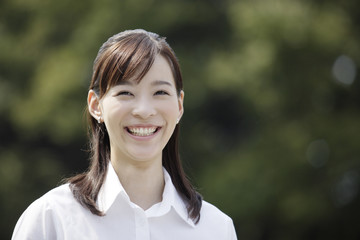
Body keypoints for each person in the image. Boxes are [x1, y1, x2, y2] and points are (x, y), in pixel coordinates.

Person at [12, 29, 237, 240]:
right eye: (126, 92)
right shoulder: (51, 218)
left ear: (179, 106)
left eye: (160, 92)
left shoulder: (215, 229)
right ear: (96, 105)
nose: (144, 110)